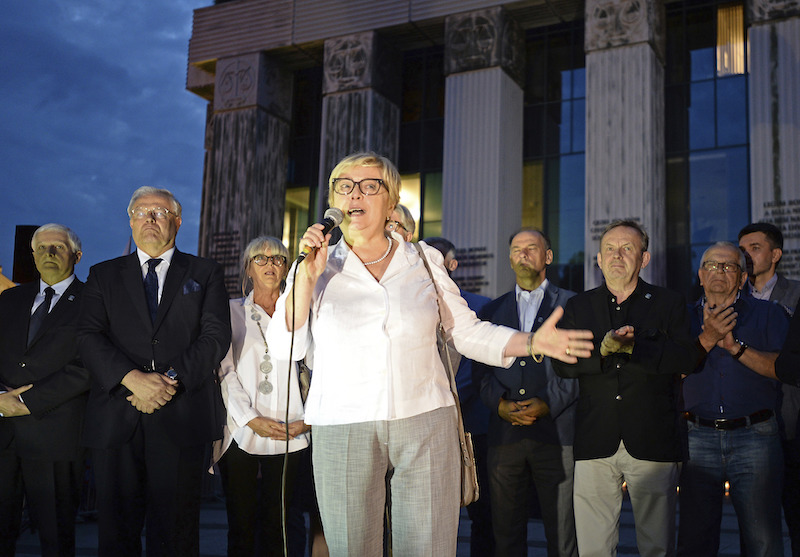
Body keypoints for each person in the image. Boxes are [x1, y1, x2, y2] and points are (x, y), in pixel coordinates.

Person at [267, 151, 593, 556]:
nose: (356, 193)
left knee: (429, 547)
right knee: (352, 548)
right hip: (342, 424)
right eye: (345, 186)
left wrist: (529, 343)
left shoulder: (423, 258)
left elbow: (467, 332)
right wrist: (304, 279)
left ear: (390, 201)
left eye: (370, 185)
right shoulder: (315, 267)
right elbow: (285, 347)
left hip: (425, 421)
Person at [78, 186, 231, 557]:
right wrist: (132, 380)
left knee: (177, 534)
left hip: (182, 417)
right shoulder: (102, 275)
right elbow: (86, 336)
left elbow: (215, 336)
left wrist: (168, 382)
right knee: (116, 533)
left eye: (160, 213)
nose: (150, 218)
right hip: (117, 416)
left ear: (177, 221)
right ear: (130, 220)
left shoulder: (205, 272)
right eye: (142, 211)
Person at [552, 219, 704, 557]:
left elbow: (686, 359)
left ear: (644, 258)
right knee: (593, 548)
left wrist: (636, 348)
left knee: (657, 546)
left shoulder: (669, 302)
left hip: (653, 439)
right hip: (595, 438)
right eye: (609, 249)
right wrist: (602, 352)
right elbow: (562, 364)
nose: (617, 255)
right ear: (598, 258)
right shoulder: (579, 306)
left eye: (627, 248)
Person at [678, 241, 789, 557]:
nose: (719, 271)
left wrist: (734, 347)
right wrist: (707, 340)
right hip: (696, 437)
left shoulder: (769, 314)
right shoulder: (680, 318)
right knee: (695, 540)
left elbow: (782, 370)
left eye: (729, 266)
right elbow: (668, 375)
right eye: (712, 265)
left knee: (763, 541)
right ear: (700, 275)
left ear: (742, 279)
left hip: (756, 437)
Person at [473, 228, 578, 557]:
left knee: (562, 535)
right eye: (517, 249)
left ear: (548, 256)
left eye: (532, 248)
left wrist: (548, 403)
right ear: (509, 258)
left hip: (557, 434)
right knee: (506, 535)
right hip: (504, 436)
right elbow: (481, 372)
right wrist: (500, 405)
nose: (523, 255)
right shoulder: (491, 311)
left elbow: (580, 370)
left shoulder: (573, 305)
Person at [211, 236, 311, 557]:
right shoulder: (229, 312)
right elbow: (225, 372)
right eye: (261, 259)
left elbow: (319, 368)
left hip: (292, 429)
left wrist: (308, 420)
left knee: (282, 524)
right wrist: (250, 419)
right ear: (248, 268)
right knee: (241, 524)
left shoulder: (301, 313)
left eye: (279, 259)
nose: (271, 265)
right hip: (241, 430)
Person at [0, 224, 89, 556]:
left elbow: (87, 366)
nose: (49, 254)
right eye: (41, 248)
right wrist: (1, 401)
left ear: (77, 256)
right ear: (33, 255)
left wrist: (26, 402)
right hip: (3, 433)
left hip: (56, 437)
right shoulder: (9, 299)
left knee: (55, 538)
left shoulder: (93, 301)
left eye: (58, 247)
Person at [424, 235, 494, 556]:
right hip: (422, 431)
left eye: (437, 260)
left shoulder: (482, 307)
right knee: (432, 518)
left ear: (451, 265)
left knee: (483, 517)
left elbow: (480, 367)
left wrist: (443, 400)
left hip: (472, 429)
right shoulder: (406, 309)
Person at [738, 221, 800, 556]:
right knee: (756, 528)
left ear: (775, 254)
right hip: (749, 427)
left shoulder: (796, 296)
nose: (746, 255)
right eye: (742, 249)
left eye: (755, 248)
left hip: (790, 422)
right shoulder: (731, 297)